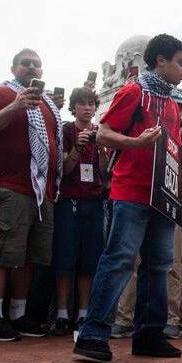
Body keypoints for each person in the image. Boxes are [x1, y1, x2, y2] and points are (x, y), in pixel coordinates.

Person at [73, 33, 182, 363]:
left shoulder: (173, 103)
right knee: (119, 260)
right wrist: (137, 143)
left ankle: (149, 335)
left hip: (162, 197)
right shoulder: (133, 92)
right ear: (160, 60)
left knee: (159, 265)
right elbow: (103, 133)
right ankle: (92, 334)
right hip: (131, 192)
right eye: (180, 62)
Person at [0, 49, 62, 341]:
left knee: (28, 256)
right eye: (25, 63)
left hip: (41, 191)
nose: (31, 67)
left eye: (37, 63)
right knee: (2, 253)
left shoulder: (48, 104)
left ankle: (17, 314)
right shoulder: (0, 94)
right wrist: (14, 107)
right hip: (10, 187)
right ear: (13, 67)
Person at [50, 87, 107, 336]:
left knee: (89, 259)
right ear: (74, 107)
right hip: (69, 200)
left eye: (91, 104)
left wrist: (102, 148)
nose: (87, 108)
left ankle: (83, 312)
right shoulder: (65, 130)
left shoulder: (101, 133)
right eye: (81, 104)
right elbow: (64, 168)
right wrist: (78, 146)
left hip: (94, 201)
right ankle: (62, 313)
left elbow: (106, 175)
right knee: (64, 256)